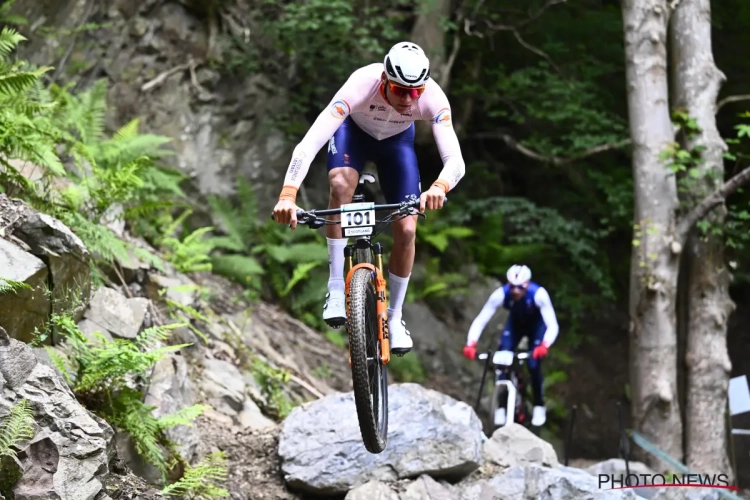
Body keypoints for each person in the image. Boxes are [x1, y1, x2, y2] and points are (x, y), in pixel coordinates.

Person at [272, 42, 466, 356]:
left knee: (406, 230)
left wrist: (439, 187)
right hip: (354, 135)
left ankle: (395, 316)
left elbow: (455, 161)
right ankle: (336, 288)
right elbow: (308, 145)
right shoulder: (362, 83)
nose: (407, 99)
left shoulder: (432, 97)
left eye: (414, 92)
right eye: (400, 90)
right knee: (340, 184)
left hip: (397, 145)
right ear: (384, 81)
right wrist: (288, 194)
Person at [462, 264, 560, 427]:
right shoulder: (501, 294)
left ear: (527, 284)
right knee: (502, 360)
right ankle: (501, 404)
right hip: (515, 325)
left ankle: (538, 404)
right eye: (512, 286)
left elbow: (553, 324)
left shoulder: (539, 295)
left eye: (520, 287)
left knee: (533, 364)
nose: (515, 291)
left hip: (537, 327)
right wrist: (471, 343)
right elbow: (481, 319)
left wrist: (545, 344)